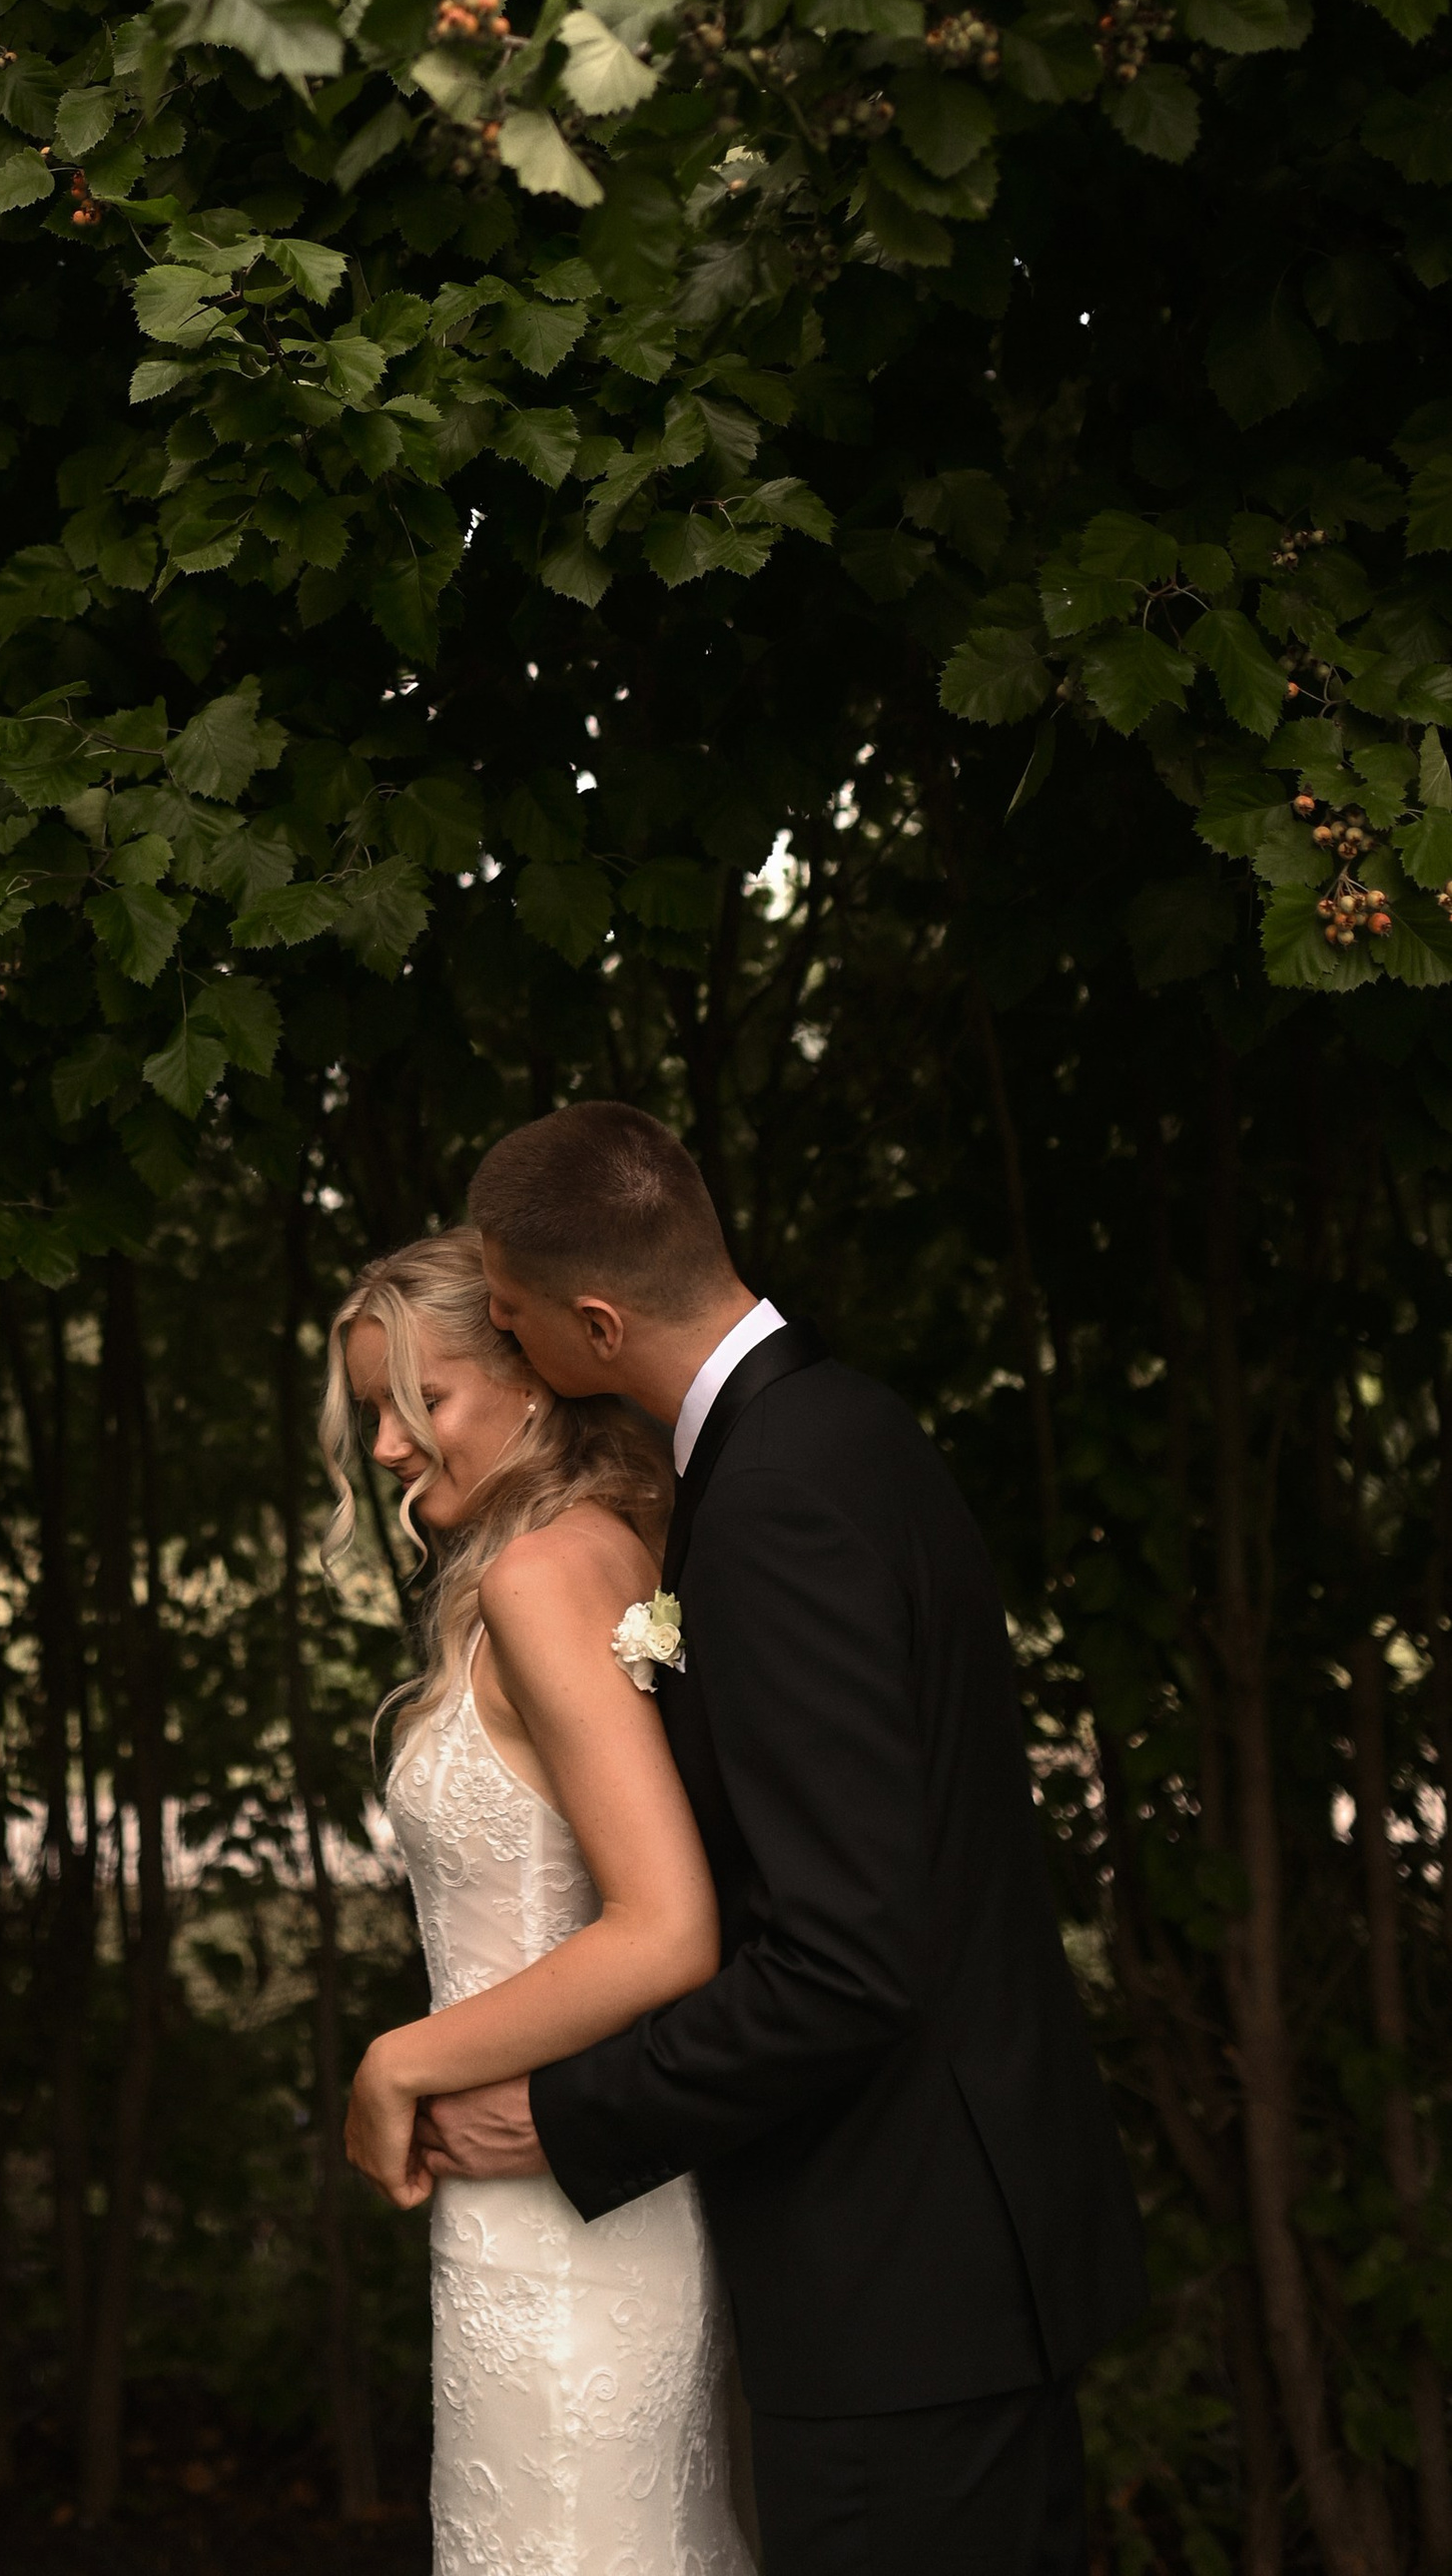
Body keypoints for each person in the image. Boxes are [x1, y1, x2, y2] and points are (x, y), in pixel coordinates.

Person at [412, 1098, 1148, 2576]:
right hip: (951, 2264)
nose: (509, 1346)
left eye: (511, 1320)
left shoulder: (775, 1501)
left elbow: (847, 1959)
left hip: (903, 2284)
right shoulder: (847, 1429)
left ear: (598, 1324)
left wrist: (562, 2116)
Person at [324, 1228, 758, 2576]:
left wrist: (399, 2062)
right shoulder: (620, 1551)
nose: (388, 1446)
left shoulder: (543, 1578)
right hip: (555, 2189)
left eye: (420, 1399)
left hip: (566, 2213)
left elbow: (668, 1927)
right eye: (372, 1412)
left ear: (528, 1376)